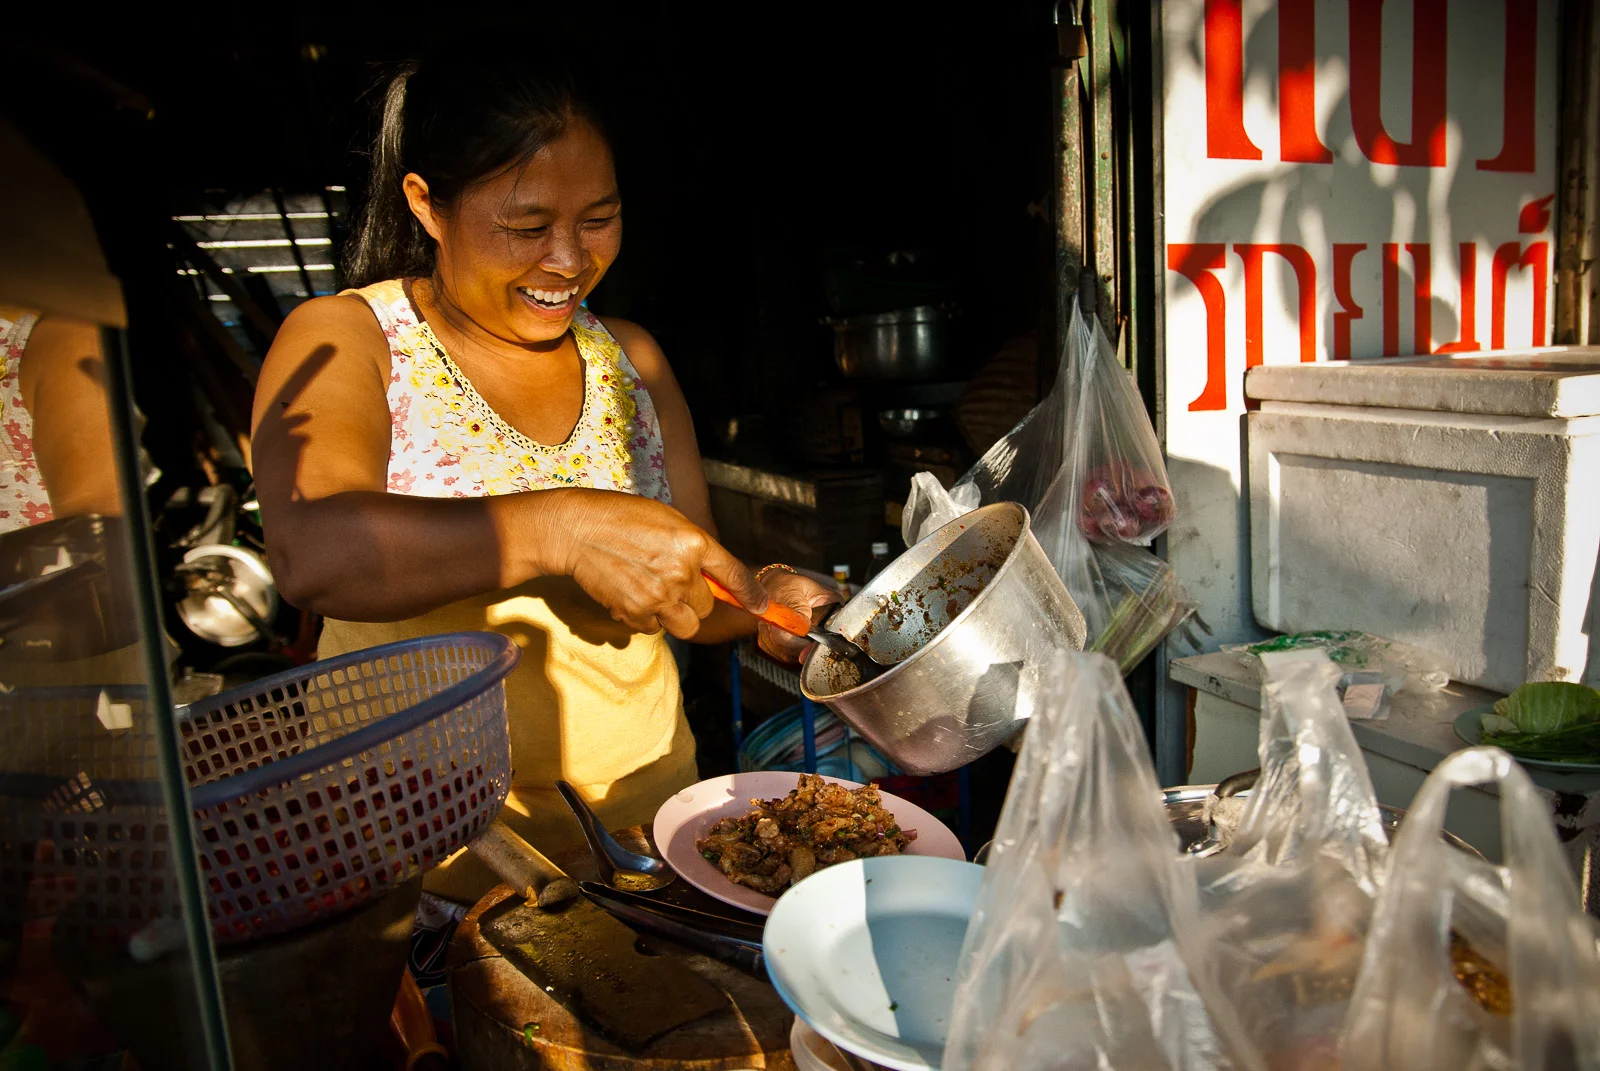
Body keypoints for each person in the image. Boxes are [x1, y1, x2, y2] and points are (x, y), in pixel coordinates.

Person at [251, 52, 837, 901]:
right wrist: (561, 527)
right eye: (527, 227)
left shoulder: (629, 359)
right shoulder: (352, 339)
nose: (568, 258)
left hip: (640, 838)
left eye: (599, 217)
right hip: (421, 862)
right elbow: (313, 551)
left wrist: (764, 598)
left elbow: (689, 591)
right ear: (427, 205)